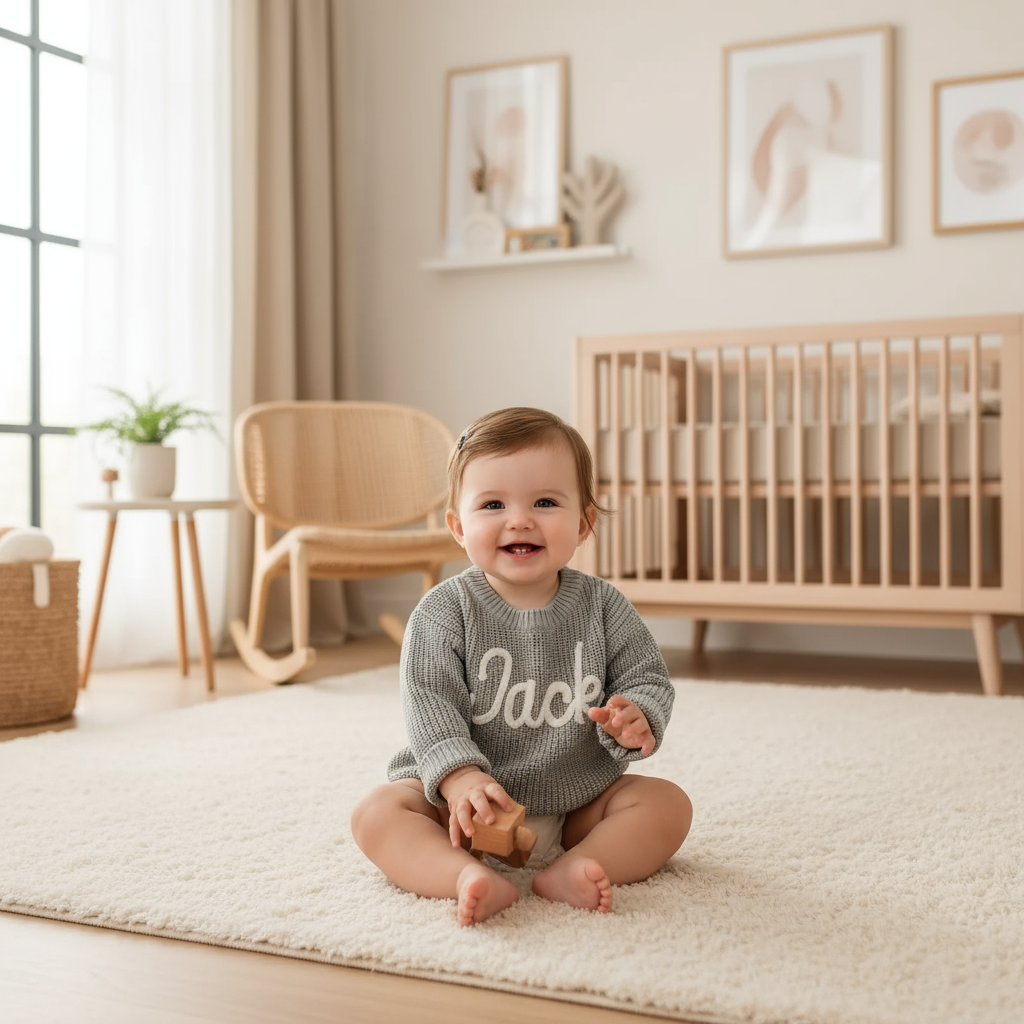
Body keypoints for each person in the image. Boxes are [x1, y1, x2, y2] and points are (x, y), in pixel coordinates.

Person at [350, 407, 692, 927]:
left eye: (545, 502)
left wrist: (637, 713)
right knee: (376, 813)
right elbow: (429, 703)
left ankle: (578, 866)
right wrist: (459, 779)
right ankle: (462, 876)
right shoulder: (443, 612)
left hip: (580, 799)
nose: (520, 519)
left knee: (668, 805)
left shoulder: (604, 606)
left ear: (583, 523)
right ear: (459, 527)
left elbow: (646, 675)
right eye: (493, 504)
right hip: (463, 810)